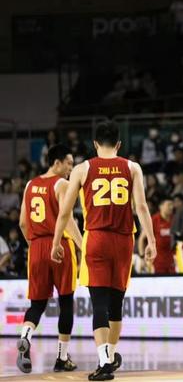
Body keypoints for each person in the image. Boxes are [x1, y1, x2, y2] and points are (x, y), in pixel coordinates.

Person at [51, 121, 156, 381]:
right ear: (119, 144)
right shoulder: (132, 167)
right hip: (124, 239)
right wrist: (151, 240)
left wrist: (56, 241)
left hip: (96, 238)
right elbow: (141, 207)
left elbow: (65, 212)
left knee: (99, 302)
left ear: (95, 144)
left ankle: (104, 360)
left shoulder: (82, 168)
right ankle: (110, 352)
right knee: (116, 302)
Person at [15, 145, 83, 373]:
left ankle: (25, 337)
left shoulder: (29, 185)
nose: (71, 168)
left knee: (37, 304)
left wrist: (34, 246)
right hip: (59, 245)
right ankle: (62, 357)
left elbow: (22, 223)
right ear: (56, 163)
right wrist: (83, 246)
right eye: (69, 163)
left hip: (36, 247)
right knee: (66, 302)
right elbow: (68, 220)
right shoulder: (61, 184)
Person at [138, 197, 174, 274]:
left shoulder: (175, 219)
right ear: (161, 206)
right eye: (169, 205)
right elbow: (141, 239)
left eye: (172, 205)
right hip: (157, 260)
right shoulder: (153, 220)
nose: (171, 207)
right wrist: (141, 257)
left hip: (172, 259)